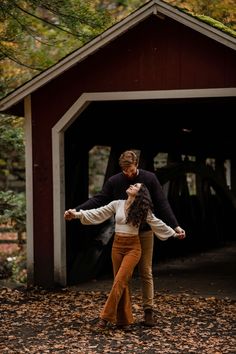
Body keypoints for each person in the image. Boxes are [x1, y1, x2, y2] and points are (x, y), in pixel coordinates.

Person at [64, 150, 186, 326]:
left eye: (130, 170)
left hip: (144, 233)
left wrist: (175, 227)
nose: (128, 174)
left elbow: (162, 204)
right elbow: (99, 202)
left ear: (136, 163)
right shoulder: (115, 183)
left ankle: (148, 310)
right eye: (124, 171)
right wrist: (76, 211)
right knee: (121, 278)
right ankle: (124, 317)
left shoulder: (149, 179)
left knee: (146, 271)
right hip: (121, 238)